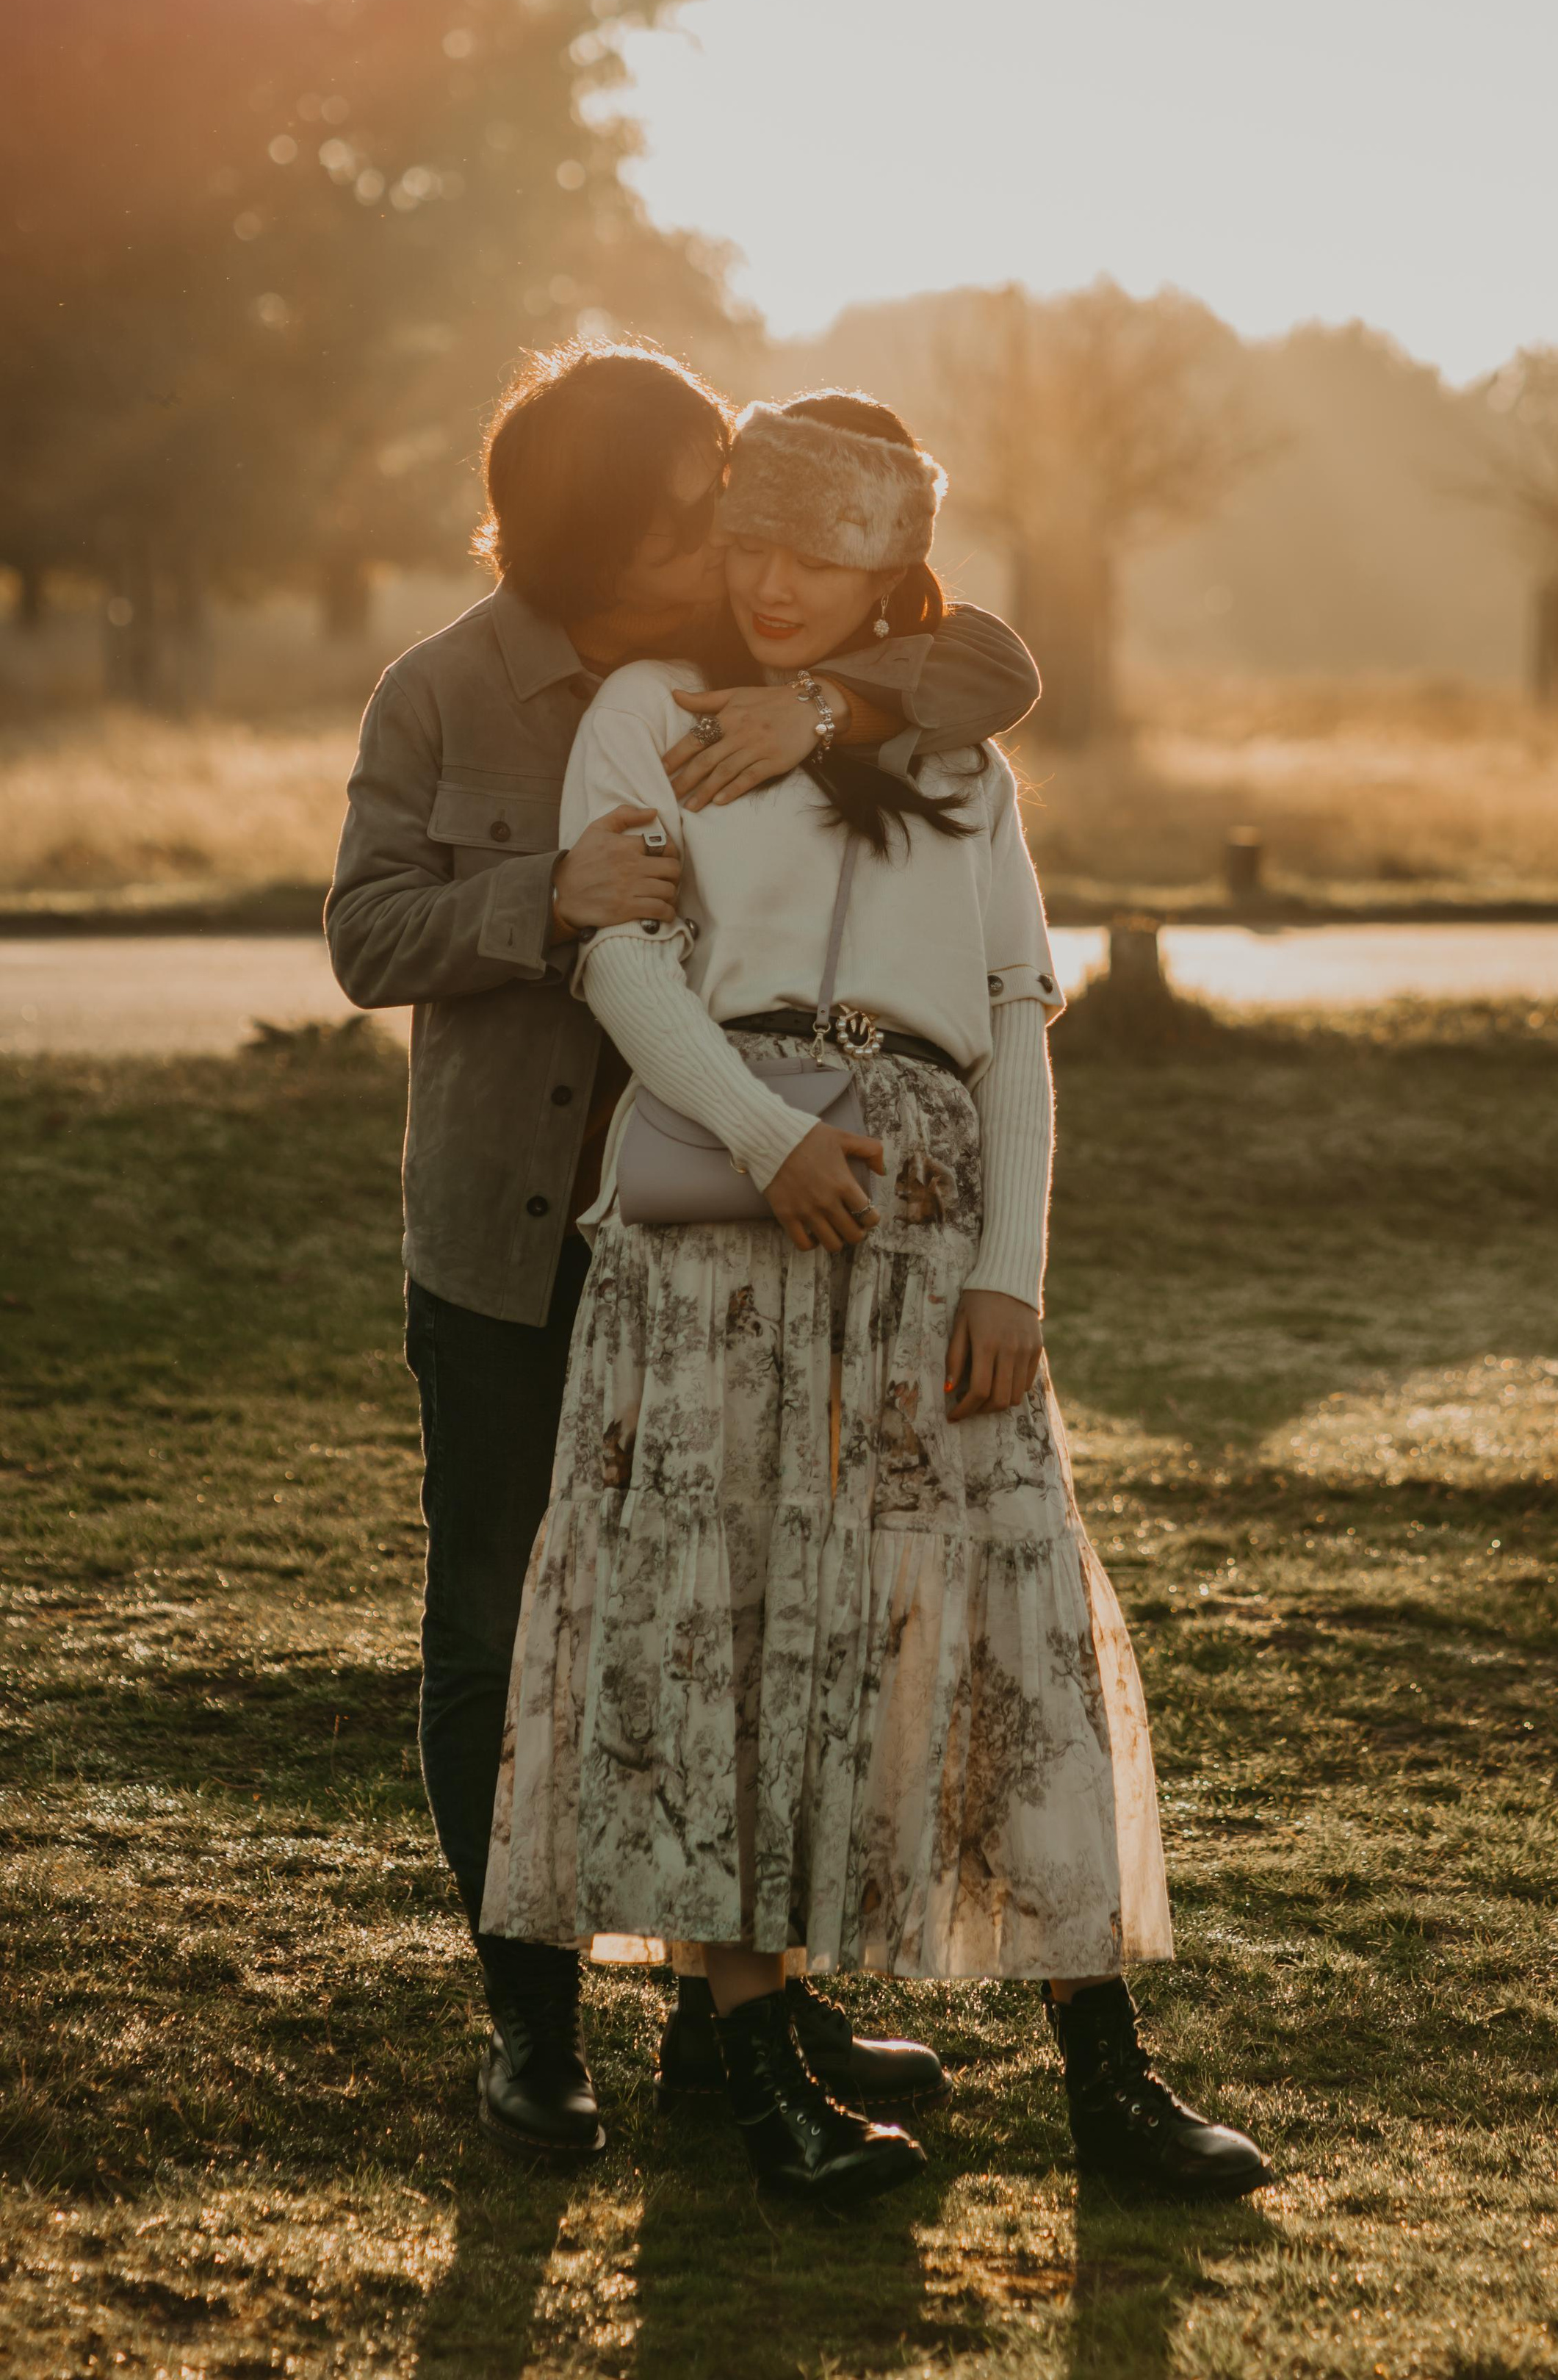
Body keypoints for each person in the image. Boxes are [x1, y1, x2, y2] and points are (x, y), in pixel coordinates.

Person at [480, 389, 1273, 2206]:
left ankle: (1107, 2081)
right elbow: (618, 957)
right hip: (712, 1213)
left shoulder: (952, 759)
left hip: (926, 1222)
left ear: (883, 564)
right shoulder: (643, 716)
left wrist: (1012, 1268)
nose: (768, 580)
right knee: (721, 1617)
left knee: (1006, 1623)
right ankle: (757, 2075)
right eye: (745, 538)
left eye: (820, 552)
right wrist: (767, 1138)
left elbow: (1012, 1013)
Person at [326, 341, 1042, 2160]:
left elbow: (986, 663)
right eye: (683, 524)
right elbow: (363, 933)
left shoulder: (758, 670)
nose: (730, 542)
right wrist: (539, 901)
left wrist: (823, 708)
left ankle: (735, 2024)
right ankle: (530, 2019)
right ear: (580, 545)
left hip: (716, 1244)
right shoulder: (442, 691)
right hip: (512, 1231)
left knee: (732, 1605)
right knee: (507, 1619)